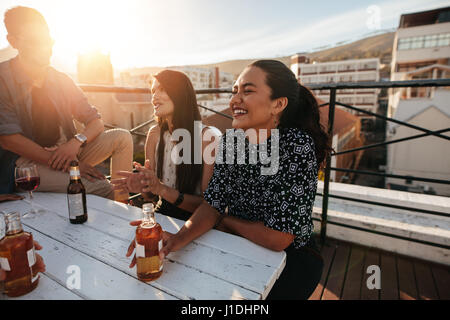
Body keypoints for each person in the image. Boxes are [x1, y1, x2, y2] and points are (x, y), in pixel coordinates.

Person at [127, 60, 331, 300]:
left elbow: (278, 238)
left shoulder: (295, 146)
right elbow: (212, 205)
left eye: (248, 91)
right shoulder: (231, 142)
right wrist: (174, 241)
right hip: (236, 244)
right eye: (234, 91)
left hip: (292, 260)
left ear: (278, 104)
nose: (235, 100)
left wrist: (225, 221)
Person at [0, 6, 133, 201]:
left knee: (122, 138)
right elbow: (9, 139)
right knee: (102, 187)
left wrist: (75, 143)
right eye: (36, 41)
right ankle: (123, 218)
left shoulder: (60, 79)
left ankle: (125, 212)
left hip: (67, 152)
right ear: (13, 42)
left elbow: (95, 122)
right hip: (24, 162)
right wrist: (69, 164)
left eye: (48, 40)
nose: (46, 47)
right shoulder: (3, 78)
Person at [112, 70, 221, 220]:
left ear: (180, 94)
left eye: (162, 89)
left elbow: (210, 206)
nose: (154, 97)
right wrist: (144, 187)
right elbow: (151, 196)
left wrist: (162, 189)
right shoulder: (154, 135)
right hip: (163, 214)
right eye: (153, 91)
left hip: (198, 221)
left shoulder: (208, 138)